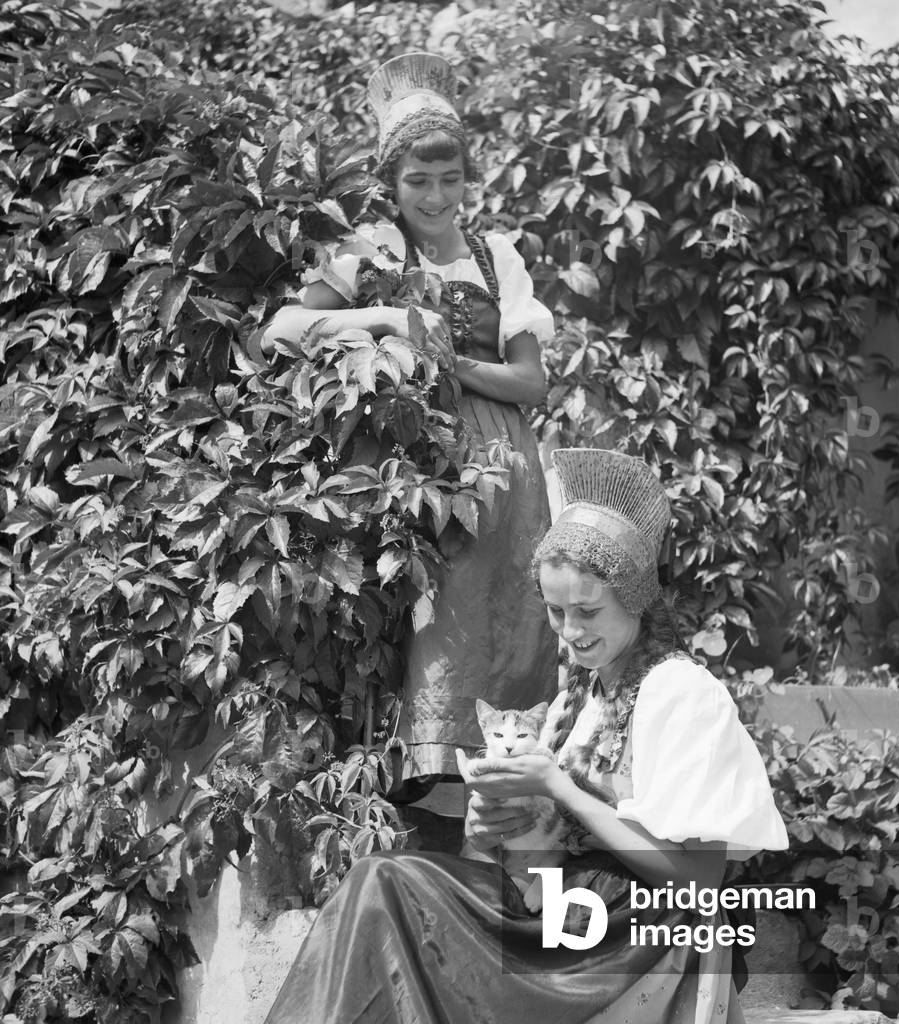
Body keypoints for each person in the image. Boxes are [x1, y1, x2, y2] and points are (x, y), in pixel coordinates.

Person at [261, 448, 789, 1024]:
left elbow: (700, 883)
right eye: (557, 613)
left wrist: (559, 789)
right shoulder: (575, 700)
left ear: (635, 597)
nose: (571, 632)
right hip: (558, 911)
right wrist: (486, 830)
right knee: (378, 881)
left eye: (587, 611)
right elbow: (526, 843)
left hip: (633, 934)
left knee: (390, 889)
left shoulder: (681, 692)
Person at [262, 52, 558, 786]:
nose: (436, 196)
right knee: (440, 624)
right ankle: (426, 779)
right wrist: (392, 316)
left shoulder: (496, 260)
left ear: (468, 179)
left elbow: (530, 381)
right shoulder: (372, 251)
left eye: (451, 179)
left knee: (521, 617)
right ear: (390, 184)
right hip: (423, 469)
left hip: (510, 477)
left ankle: (514, 788)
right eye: (418, 181)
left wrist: (447, 355)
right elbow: (281, 329)